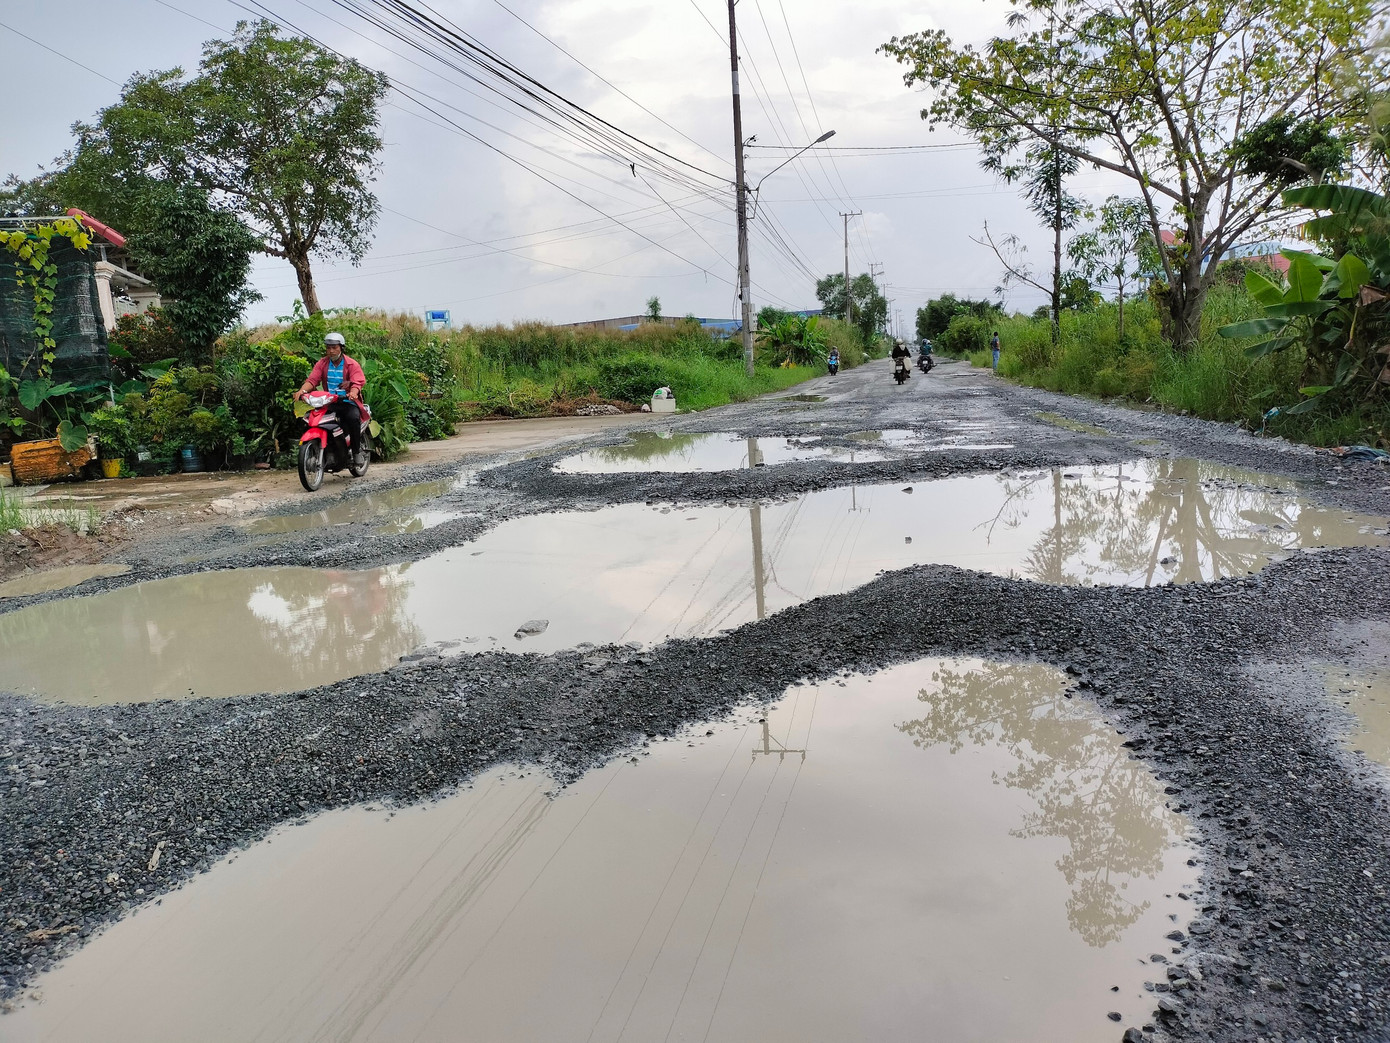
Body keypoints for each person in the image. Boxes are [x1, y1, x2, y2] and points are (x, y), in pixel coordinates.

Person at [295, 332, 367, 459]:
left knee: (353, 418)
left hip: (347, 403)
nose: (331, 351)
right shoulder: (322, 364)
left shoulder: (351, 364)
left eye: (334, 347)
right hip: (329, 402)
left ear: (341, 348)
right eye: (328, 348)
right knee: (311, 420)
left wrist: (353, 393)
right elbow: (312, 380)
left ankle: (356, 453)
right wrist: (302, 391)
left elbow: (357, 382)